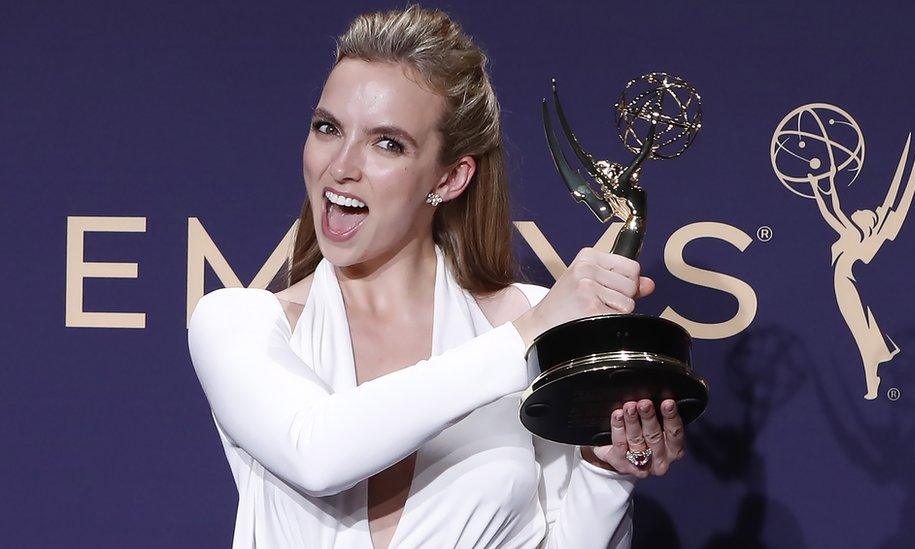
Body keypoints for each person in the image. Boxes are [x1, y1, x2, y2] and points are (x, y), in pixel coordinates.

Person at [187, 5, 686, 548]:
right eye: (328, 128)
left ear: (450, 178)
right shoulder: (239, 322)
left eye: (387, 143)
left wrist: (604, 471)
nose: (341, 165)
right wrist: (526, 336)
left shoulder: (529, 319)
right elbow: (316, 452)